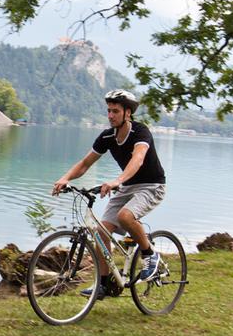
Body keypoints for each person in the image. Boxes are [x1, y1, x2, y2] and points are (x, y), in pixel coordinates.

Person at [51, 89, 167, 299]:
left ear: (127, 113)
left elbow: (137, 160)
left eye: (115, 111)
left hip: (152, 185)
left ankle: (150, 255)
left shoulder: (140, 132)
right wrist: (65, 178)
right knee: (101, 231)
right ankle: (103, 285)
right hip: (127, 186)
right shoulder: (107, 136)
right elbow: (85, 163)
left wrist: (116, 181)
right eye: (109, 111)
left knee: (125, 215)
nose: (111, 115)